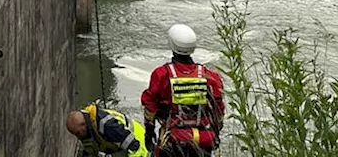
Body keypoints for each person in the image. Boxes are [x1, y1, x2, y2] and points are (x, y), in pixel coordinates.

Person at [140, 24, 226, 156]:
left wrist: (149, 132)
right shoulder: (210, 76)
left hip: (173, 140)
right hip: (203, 140)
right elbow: (218, 110)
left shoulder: (161, 74)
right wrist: (216, 133)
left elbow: (150, 106)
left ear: (171, 44)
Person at [66, 104, 149, 157]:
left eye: (77, 133)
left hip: (140, 146)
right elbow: (90, 149)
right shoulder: (88, 128)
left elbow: (134, 145)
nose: (77, 136)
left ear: (83, 124)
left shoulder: (107, 126)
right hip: (126, 145)